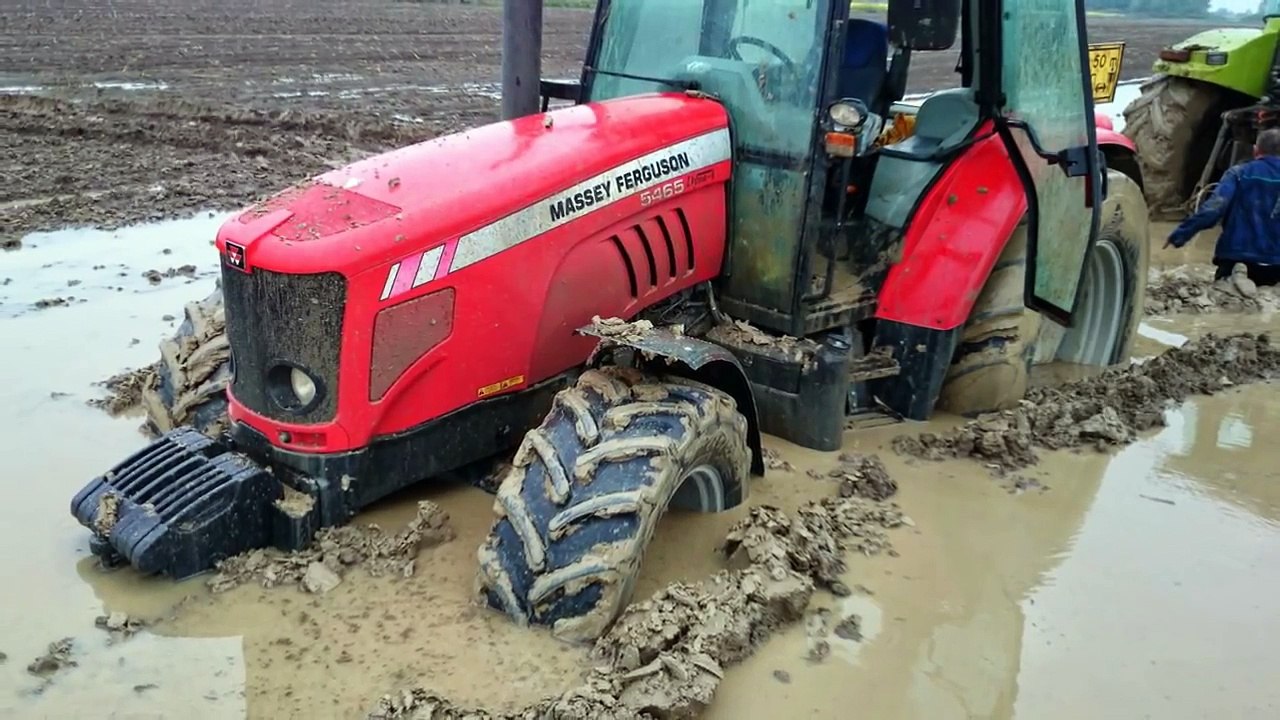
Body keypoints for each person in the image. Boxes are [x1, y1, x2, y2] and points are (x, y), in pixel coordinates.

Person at [1165, 127, 1280, 294]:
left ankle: (1238, 276)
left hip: (1237, 256)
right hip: (1277, 262)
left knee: (1229, 308)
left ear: (1256, 150)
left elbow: (1214, 209)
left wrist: (1181, 234)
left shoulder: (1239, 173)